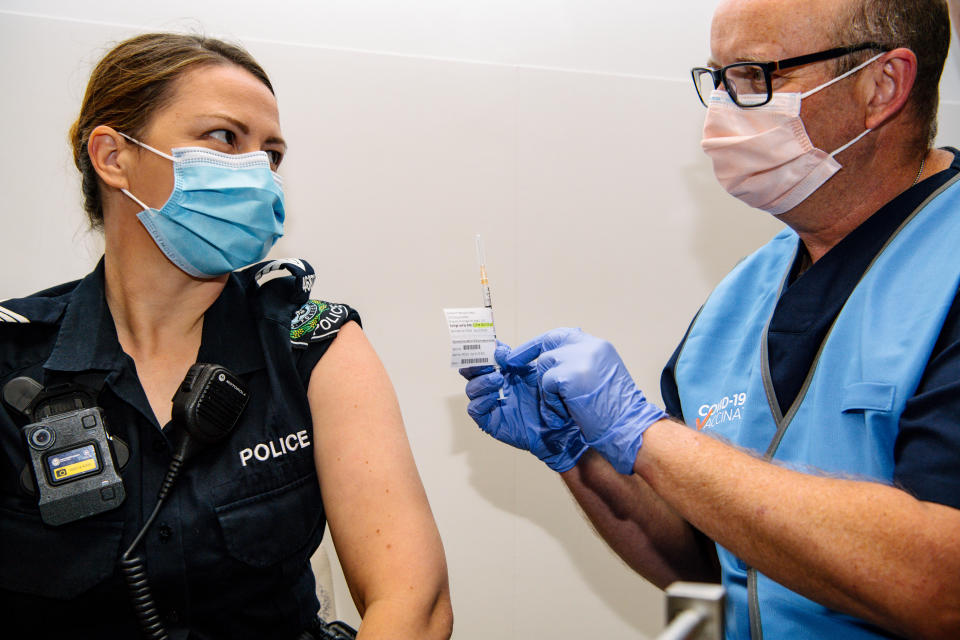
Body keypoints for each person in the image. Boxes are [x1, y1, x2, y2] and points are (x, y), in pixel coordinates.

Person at [463, 0, 960, 638]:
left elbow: (941, 584)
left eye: (756, 77)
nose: (722, 112)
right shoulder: (741, 295)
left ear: (882, 85)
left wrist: (647, 437)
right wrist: (583, 455)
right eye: (719, 80)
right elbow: (707, 563)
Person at [0, 33, 452, 639]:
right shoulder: (13, 358)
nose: (257, 173)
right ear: (113, 157)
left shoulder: (312, 344)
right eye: (224, 138)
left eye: (271, 153)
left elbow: (413, 603)